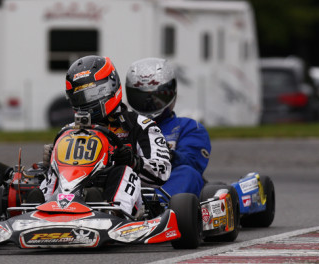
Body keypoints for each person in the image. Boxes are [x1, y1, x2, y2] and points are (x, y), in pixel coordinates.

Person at [40, 55, 171, 216]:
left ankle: (115, 213)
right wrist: (51, 161)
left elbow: (162, 171)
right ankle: (40, 210)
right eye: (80, 97)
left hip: (126, 197)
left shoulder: (140, 125)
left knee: (124, 170)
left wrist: (134, 162)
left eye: (93, 94)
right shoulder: (69, 130)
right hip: (74, 192)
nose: (87, 101)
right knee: (53, 172)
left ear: (111, 86)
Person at [125, 57, 211, 198]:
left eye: (156, 96)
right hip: (129, 184)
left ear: (172, 92)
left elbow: (193, 164)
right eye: (141, 96)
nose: (149, 103)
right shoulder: (122, 126)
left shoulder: (189, 127)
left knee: (188, 173)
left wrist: (166, 155)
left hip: (167, 186)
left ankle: (160, 205)